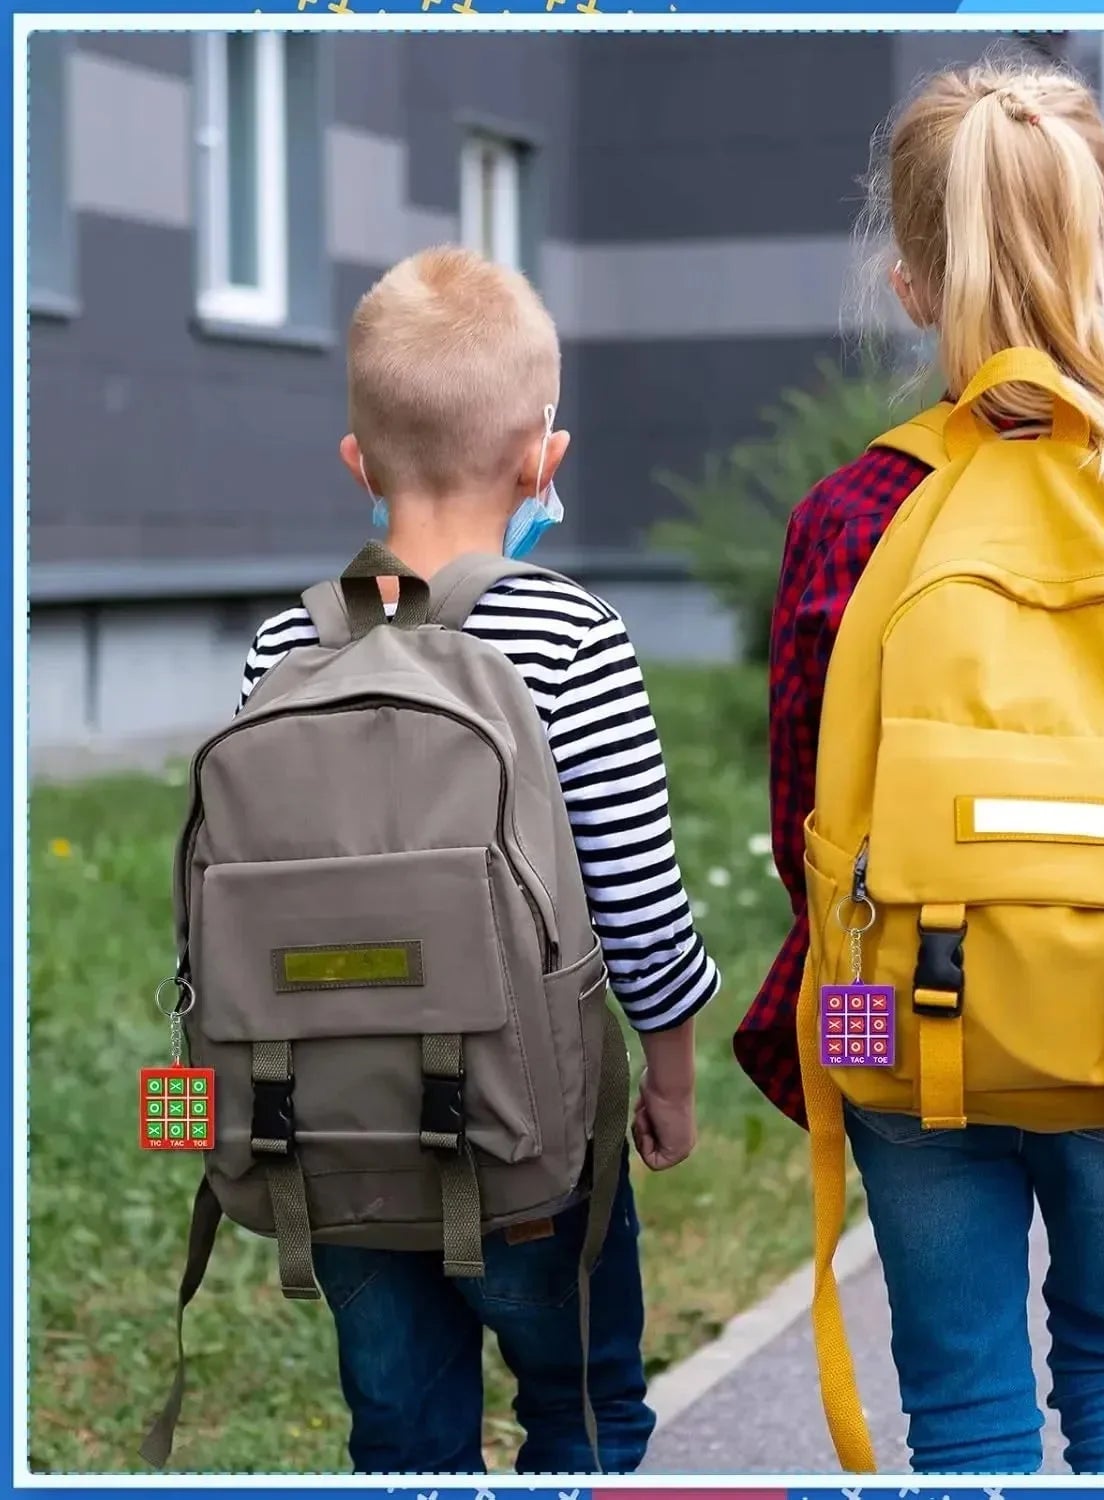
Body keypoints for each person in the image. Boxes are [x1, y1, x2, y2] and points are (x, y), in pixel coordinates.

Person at [736, 59, 1104, 1475]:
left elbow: (807, 810)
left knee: (964, 1407)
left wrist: (838, 1018)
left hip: (902, 1020)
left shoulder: (854, 513)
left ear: (911, 283)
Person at [238, 246, 718, 1475]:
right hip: (533, 1145)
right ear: (541, 462)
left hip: (334, 1144)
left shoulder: (280, 648)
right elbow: (640, 907)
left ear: (358, 462)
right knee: (583, 1410)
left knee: (402, 1436)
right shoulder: (571, 639)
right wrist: (669, 1076)